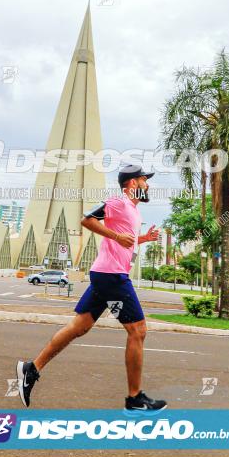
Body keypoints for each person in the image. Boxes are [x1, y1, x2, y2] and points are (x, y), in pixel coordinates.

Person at [16, 164, 165, 415]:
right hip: (111, 275)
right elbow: (87, 220)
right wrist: (117, 237)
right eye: (143, 180)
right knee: (138, 331)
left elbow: (123, 239)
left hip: (105, 273)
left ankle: (32, 368)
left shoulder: (132, 210)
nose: (147, 184)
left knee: (79, 327)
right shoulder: (118, 202)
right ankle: (134, 398)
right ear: (131, 184)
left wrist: (142, 239)